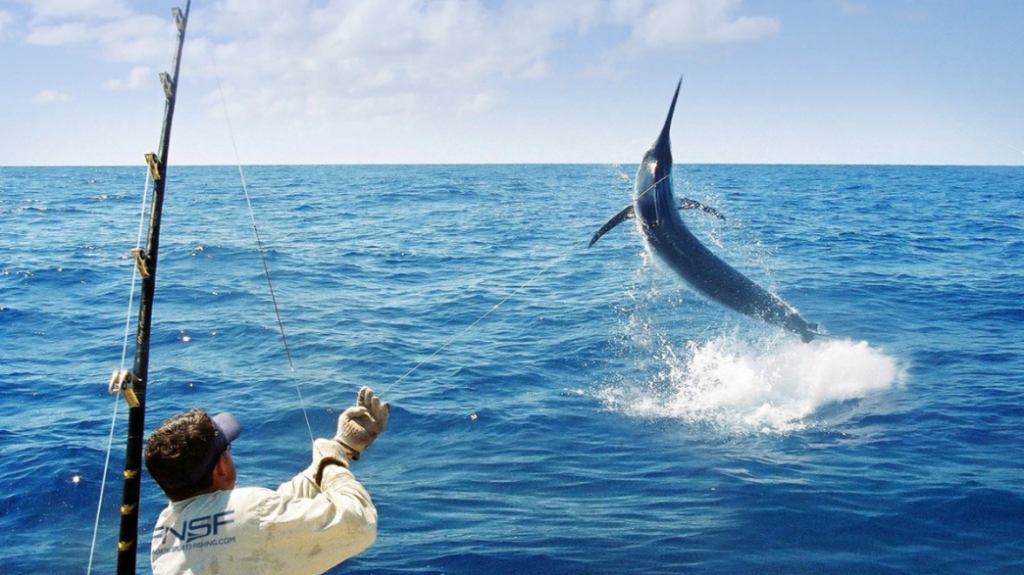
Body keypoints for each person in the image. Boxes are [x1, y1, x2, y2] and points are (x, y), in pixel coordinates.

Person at [144, 386, 389, 575]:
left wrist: (342, 446)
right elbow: (358, 523)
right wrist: (332, 462)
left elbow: (269, 516)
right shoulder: (251, 510)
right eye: (227, 449)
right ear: (220, 468)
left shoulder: (165, 534)